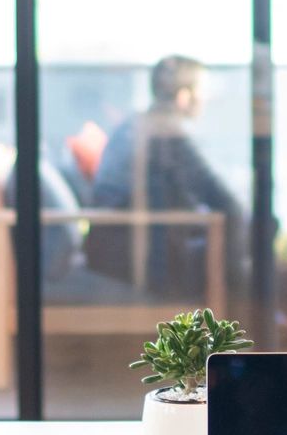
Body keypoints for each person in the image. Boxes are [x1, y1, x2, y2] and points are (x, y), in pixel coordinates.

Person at [87, 54, 246, 293]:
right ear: (184, 97)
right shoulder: (168, 135)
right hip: (138, 260)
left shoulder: (134, 124)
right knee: (254, 228)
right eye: (202, 91)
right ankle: (239, 306)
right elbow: (227, 202)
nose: (206, 99)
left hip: (110, 250)